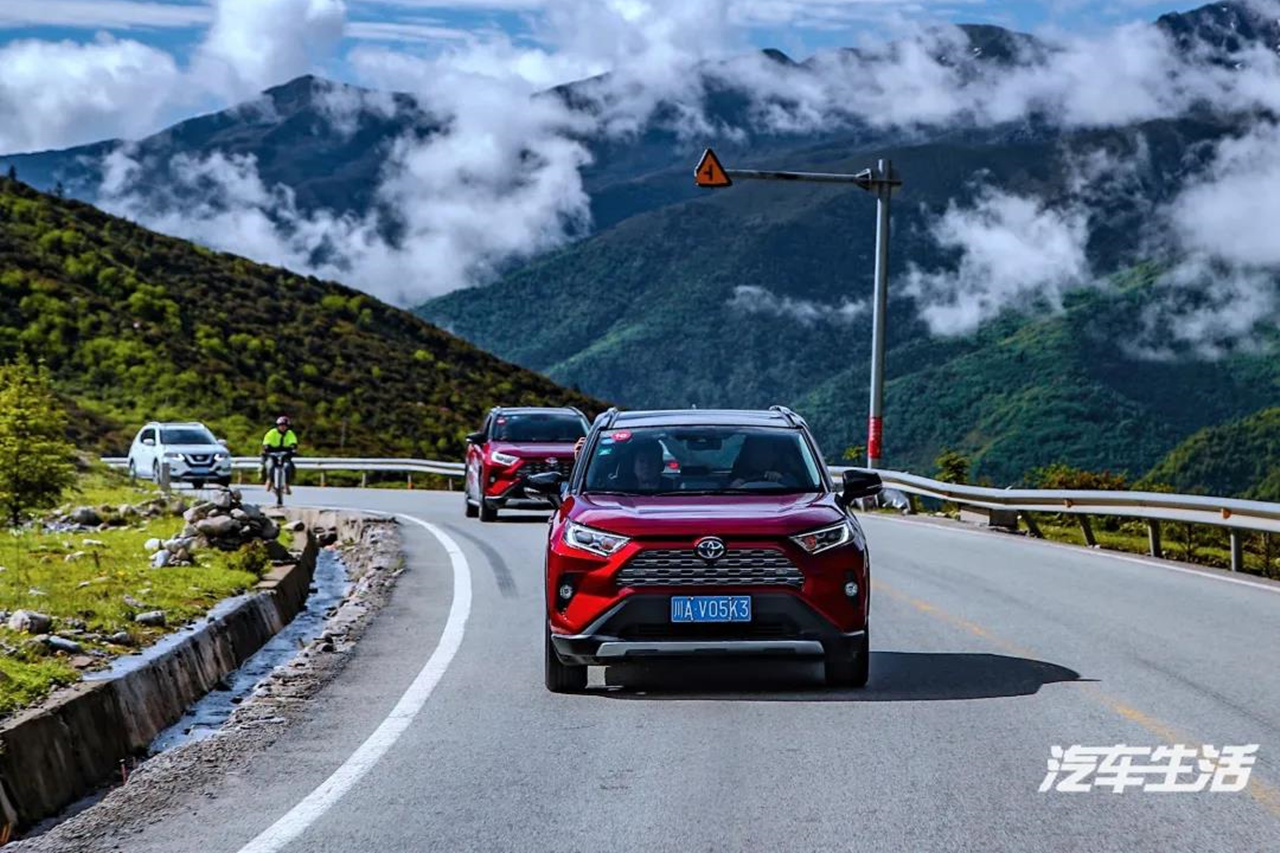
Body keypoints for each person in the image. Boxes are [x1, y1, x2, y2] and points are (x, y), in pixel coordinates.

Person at [729, 436, 797, 489]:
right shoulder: (738, 474)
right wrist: (733, 486)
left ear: (775, 455)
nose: (759, 455)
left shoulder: (789, 475)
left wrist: (781, 479)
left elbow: (798, 488)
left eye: (764, 451)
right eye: (754, 450)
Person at [261, 415, 299, 494]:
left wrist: (293, 447)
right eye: (281, 426)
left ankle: (287, 485)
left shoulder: (290, 433)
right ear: (277, 426)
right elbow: (266, 442)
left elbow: (293, 442)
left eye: (284, 426)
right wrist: (266, 447)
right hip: (272, 454)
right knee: (270, 466)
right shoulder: (272, 432)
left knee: (287, 467)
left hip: (285, 454)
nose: (282, 427)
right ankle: (270, 480)